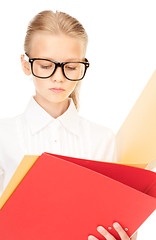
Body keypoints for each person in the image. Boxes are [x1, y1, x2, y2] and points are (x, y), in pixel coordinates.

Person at [0, 10, 137, 240]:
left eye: (71, 67)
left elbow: (115, 217)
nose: (58, 77)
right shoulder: (3, 135)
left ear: (82, 67)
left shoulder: (102, 139)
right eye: (45, 65)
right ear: (26, 65)